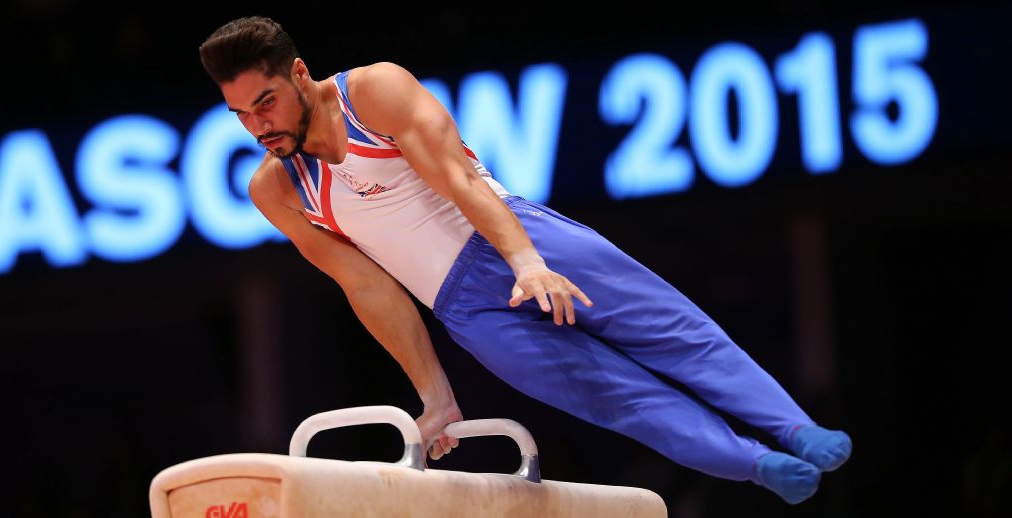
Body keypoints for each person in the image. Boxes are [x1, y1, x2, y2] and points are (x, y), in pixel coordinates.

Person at [198, 16, 851, 504]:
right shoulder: (276, 189)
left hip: (521, 239)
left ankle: (792, 428)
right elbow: (367, 286)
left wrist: (526, 261)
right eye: (241, 116)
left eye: (267, 103)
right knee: (615, 399)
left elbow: (459, 180)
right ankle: (754, 466)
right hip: (465, 308)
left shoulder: (374, 93)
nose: (260, 127)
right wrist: (436, 397)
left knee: (673, 336)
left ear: (300, 75)